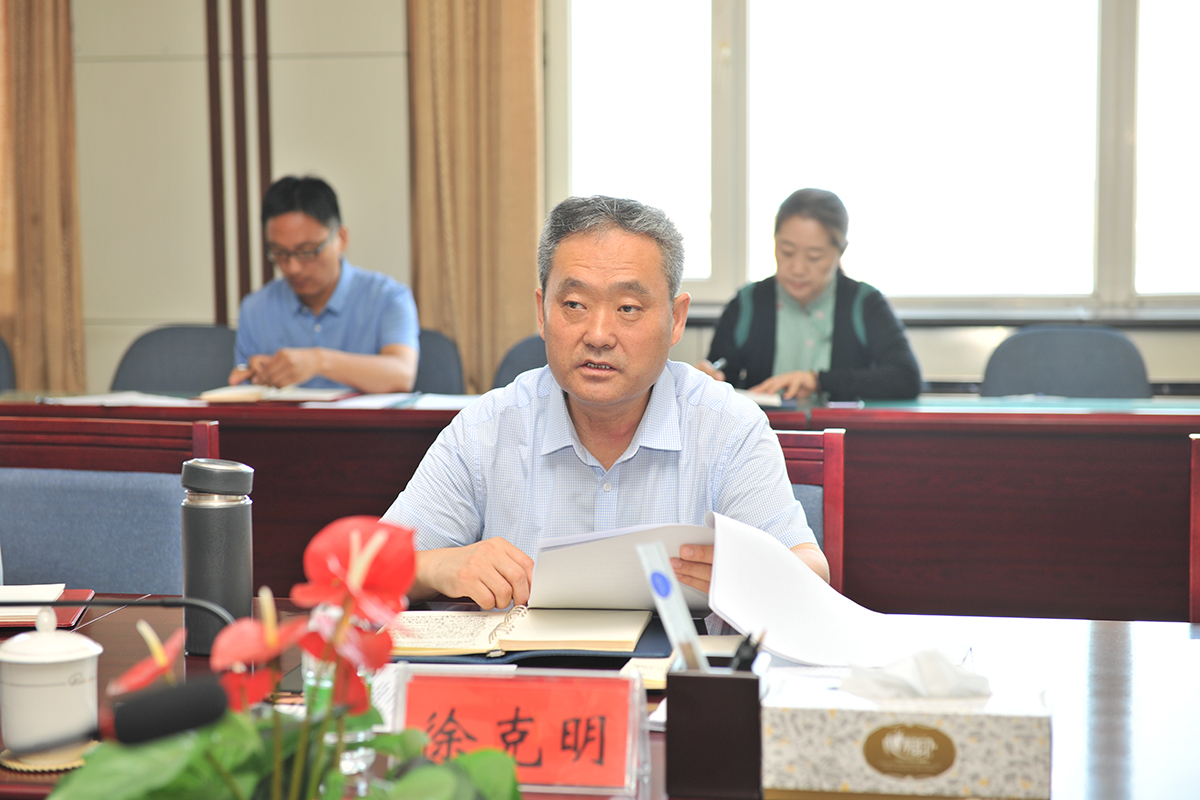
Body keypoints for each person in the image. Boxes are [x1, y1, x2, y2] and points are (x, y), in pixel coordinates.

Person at [382, 195, 829, 611]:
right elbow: (369, 567)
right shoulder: (486, 429)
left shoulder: (727, 425)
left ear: (676, 320)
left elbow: (811, 572)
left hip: (679, 666)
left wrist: (748, 576)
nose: (598, 335)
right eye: (575, 304)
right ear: (542, 312)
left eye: (628, 308)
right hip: (522, 667)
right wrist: (437, 566)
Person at [698, 188, 921, 401]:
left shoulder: (864, 303)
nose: (797, 269)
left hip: (843, 427)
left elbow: (906, 378)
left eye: (814, 256)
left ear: (840, 251)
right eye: (787, 251)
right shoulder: (747, 302)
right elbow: (722, 374)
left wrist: (819, 381)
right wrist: (709, 378)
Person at [229, 176, 420, 392]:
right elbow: (243, 389)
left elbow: (401, 375)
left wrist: (319, 361)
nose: (293, 267)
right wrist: (257, 375)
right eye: (280, 253)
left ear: (341, 238)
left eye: (307, 251)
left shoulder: (387, 297)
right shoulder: (256, 308)